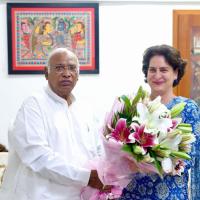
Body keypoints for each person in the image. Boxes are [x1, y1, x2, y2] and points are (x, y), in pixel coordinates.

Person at [0, 48, 111, 200]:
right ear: (46, 73)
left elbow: (97, 150)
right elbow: (37, 156)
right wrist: (86, 177)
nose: (67, 73)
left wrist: (107, 172)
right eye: (59, 68)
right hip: (40, 195)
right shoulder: (33, 105)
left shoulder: (85, 108)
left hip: (80, 194)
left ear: (78, 75)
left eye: (72, 68)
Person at [119, 44, 200, 200]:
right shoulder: (135, 105)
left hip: (169, 194)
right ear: (146, 73)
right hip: (132, 193)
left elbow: (190, 157)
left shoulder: (187, 108)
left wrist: (147, 165)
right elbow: (119, 147)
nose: (157, 75)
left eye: (163, 70)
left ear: (176, 73)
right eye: (152, 70)